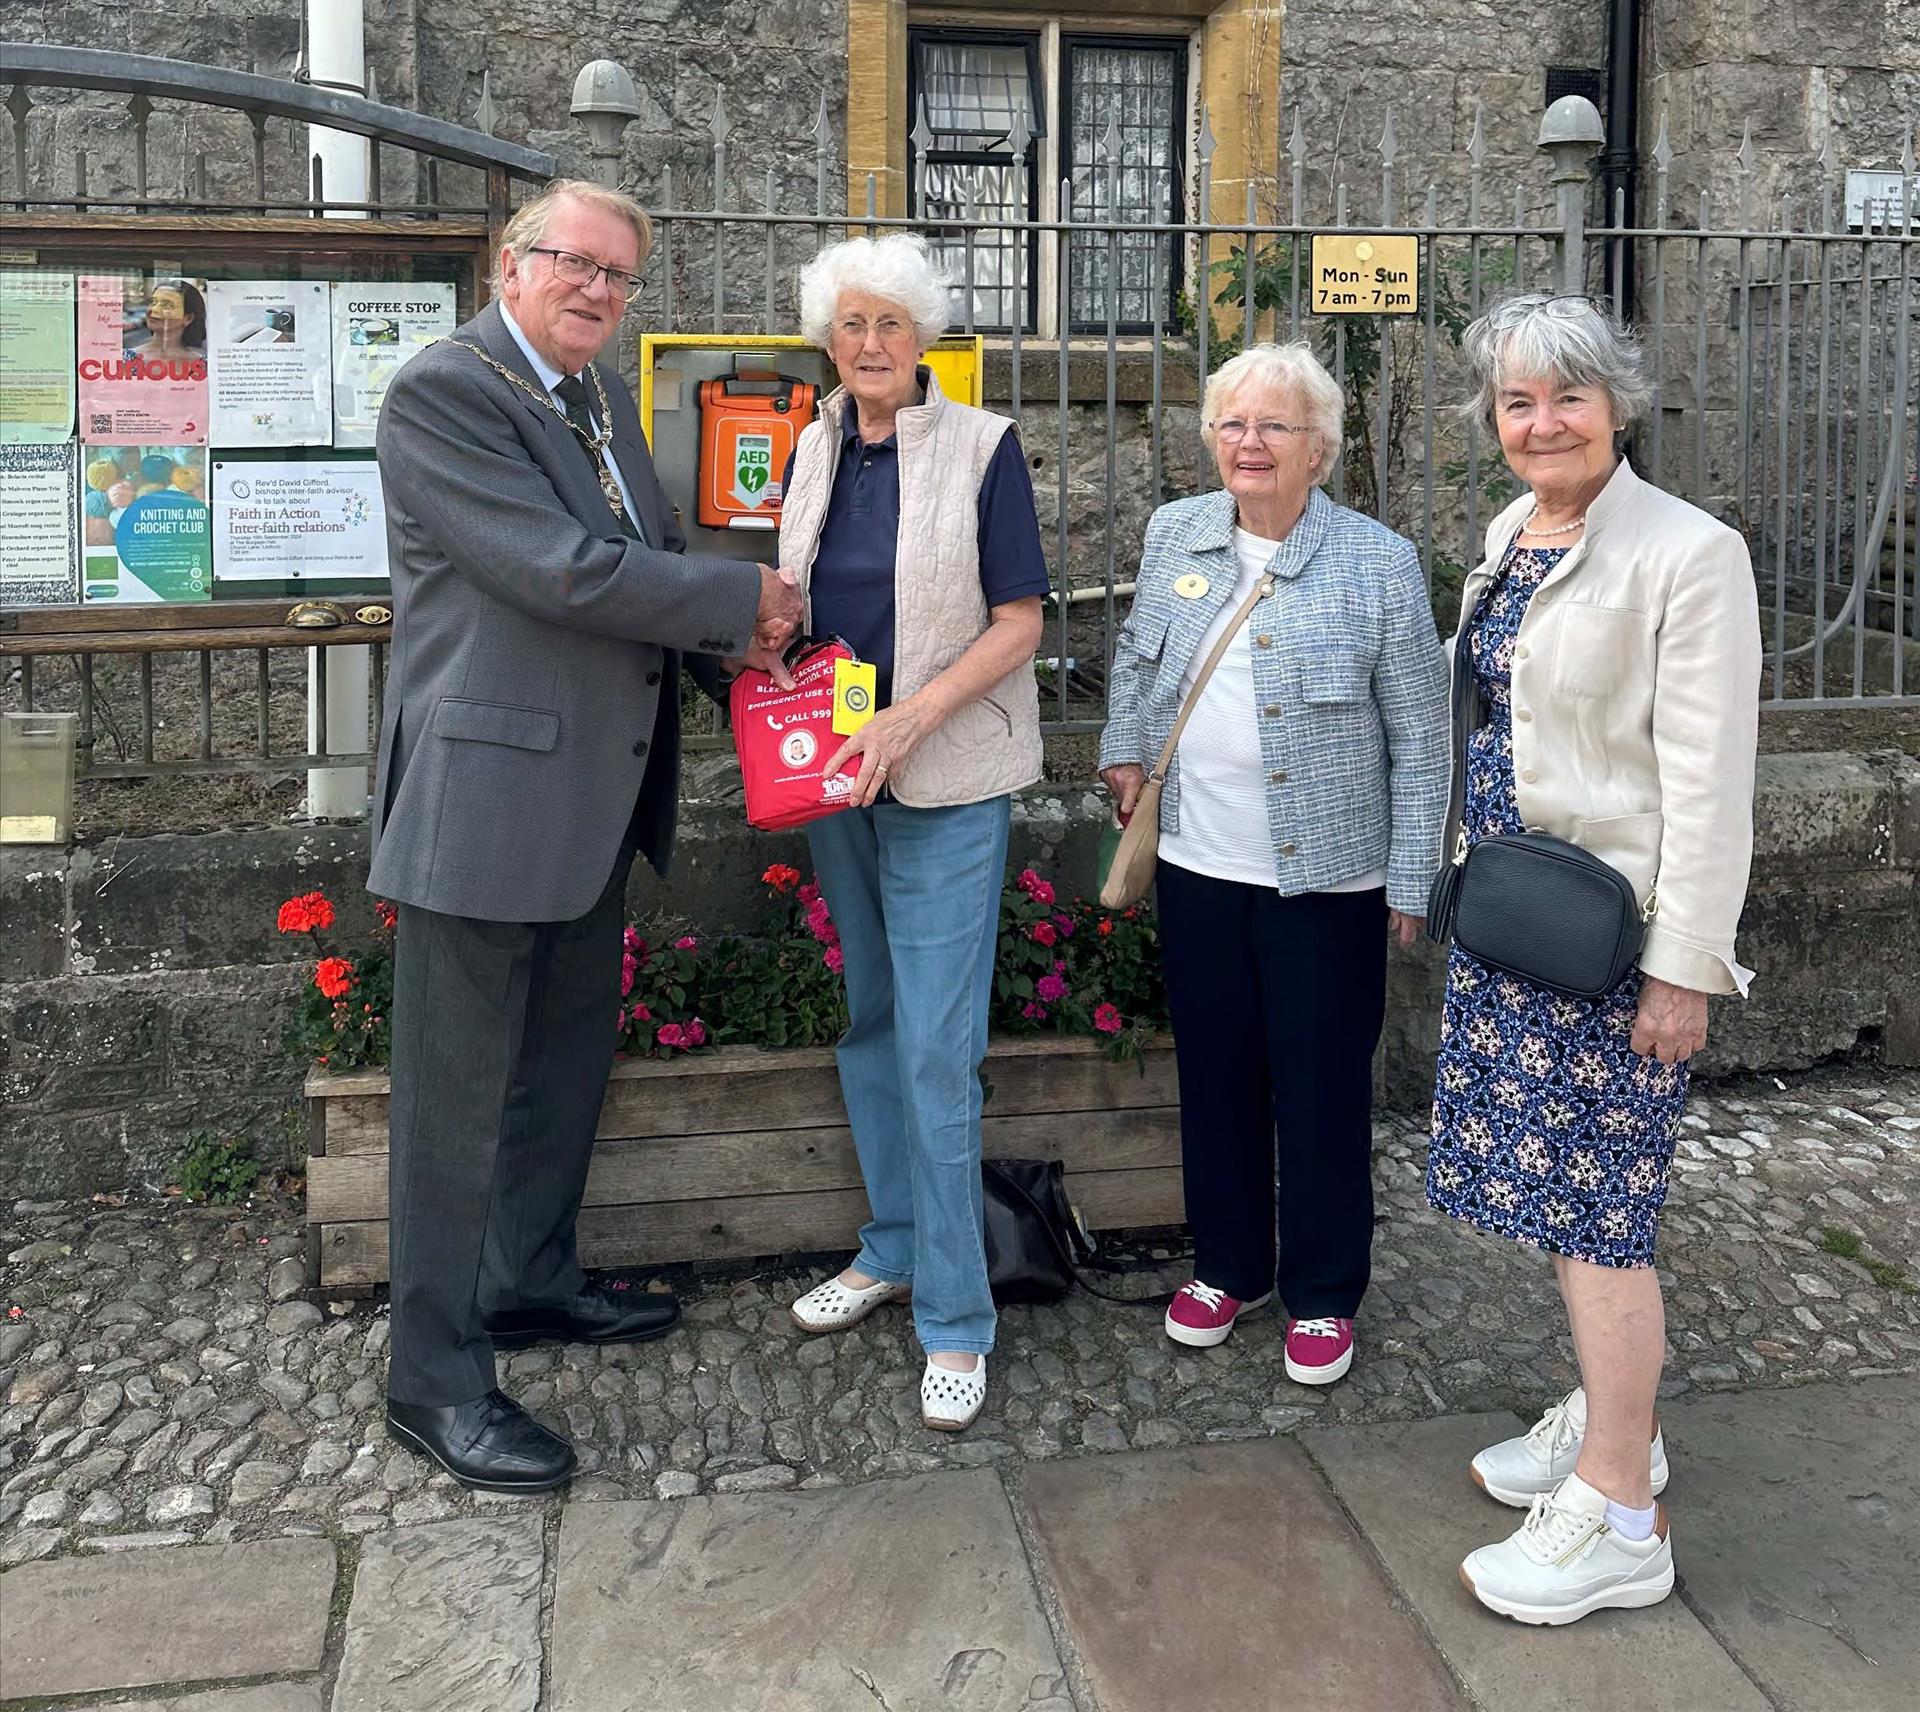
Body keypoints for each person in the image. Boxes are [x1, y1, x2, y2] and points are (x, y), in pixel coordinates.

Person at [370, 179, 802, 1492]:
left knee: (557, 1072)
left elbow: (645, 553)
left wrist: (766, 678)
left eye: (621, 276)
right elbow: (560, 570)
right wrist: (744, 599)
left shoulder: (599, 399)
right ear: (514, 263)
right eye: (579, 267)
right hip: (484, 809)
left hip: (589, 806)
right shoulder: (445, 394)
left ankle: (530, 1284)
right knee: (450, 1111)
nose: (601, 293)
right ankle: (431, 1380)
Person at [1428, 293, 1760, 1626]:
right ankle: (1612, 1418)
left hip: (1615, 943)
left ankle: (1623, 1509)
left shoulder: (1690, 554)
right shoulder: (1514, 532)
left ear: (1618, 405)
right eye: (1518, 401)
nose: (1542, 422)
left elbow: (1711, 783)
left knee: (1603, 1217)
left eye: (1567, 396)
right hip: (1520, 921)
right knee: (1559, 1205)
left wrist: (1685, 968)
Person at [1102, 342, 1449, 1384]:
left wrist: (1411, 874)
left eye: (1274, 426)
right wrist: (1124, 743)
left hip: (1328, 881)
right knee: (1215, 1075)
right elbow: (1136, 652)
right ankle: (1230, 1264)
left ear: (1321, 449)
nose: (1248, 443)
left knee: (1321, 1085)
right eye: (1232, 424)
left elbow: (1423, 731)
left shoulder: (1378, 561)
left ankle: (1326, 1287)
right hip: (1201, 865)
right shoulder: (1178, 532)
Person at [777, 234, 1048, 1433]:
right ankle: (890, 1243)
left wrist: (914, 717)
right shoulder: (812, 441)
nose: (870, 344)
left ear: (924, 335)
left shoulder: (984, 446)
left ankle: (957, 1314)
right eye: (850, 325)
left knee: (940, 1048)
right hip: (837, 782)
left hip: (943, 777)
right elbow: (802, 592)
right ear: (827, 340)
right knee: (873, 1019)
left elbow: (1020, 621)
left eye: (890, 323)